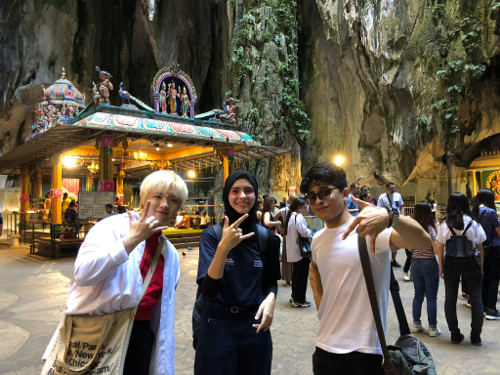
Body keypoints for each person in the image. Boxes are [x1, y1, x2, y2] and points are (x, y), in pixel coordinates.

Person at [42, 170, 188, 374]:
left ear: (177, 210)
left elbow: (162, 310)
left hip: (140, 337)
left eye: (173, 200)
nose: (165, 204)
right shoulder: (111, 227)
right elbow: (83, 274)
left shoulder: (169, 253)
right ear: (144, 198)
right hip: (97, 332)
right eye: (158, 196)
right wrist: (130, 242)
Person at [301, 162, 431, 375]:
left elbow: (424, 242)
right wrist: (321, 305)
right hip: (323, 347)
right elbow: (315, 269)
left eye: (324, 193)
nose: (318, 201)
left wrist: (391, 217)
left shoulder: (370, 231)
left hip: (362, 351)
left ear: (345, 193)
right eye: (312, 196)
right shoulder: (317, 240)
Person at [195, 170, 280, 375]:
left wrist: (271, 297)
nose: (242, 196)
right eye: (236, 190)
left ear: (256, 196)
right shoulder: (212, 236)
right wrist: (224, 248)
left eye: (248, 190)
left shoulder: (267, 238)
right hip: (218, 324)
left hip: (254, 325)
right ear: (227, 196)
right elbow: (209, 290)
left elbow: (270, 282)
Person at [434, 192, 485, 346]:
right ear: (466, 204)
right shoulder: (473, 223)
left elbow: (440, 247)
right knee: (476, 299)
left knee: (450, 299)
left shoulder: (444, 224)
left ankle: (455, 334)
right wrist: (481, 265)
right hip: (471, 262)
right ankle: (476, 336)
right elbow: (481, 247)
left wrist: (441, 267)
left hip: (451, 263)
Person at [407, 202, 441, 337]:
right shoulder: (430, 229)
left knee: (418, 295)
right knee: (431, 297)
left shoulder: (412, 228)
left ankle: (416, 324)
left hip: (415, 262)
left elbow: (409, 248)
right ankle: (432, 328)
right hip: (429, 262)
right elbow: (436, 249)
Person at [471, 189, 500, 320]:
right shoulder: (491, 212)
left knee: (483, 277)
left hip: (479, 248)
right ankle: (491, 309)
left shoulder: (474, 211)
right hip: (494, 248)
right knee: (493, 279)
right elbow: (499, 232)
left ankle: (481, 307)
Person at [284, 197, 312, 307]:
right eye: (305, 207)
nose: (306, 209)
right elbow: (304, 233)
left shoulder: (291, 216)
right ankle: (299, 300)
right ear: (300, 207)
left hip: (294, 251)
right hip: (300, 252)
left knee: (296, 274)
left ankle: (294, 296)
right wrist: (310, 230)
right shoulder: (298, 217)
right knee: (301, 276)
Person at [378, 182, 405, 267]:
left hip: (396, 220)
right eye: (391, 188)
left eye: (394, 188)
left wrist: (402, 216)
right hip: (387, 221)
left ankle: (393, 260)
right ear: (387, 189)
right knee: (386, 239)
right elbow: (379, 209)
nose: (394, 189)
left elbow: (401, 207)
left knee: (395, 240)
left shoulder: (398, 195)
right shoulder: (382, 197)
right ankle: (385, 260)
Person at [274, 195, 297, 287]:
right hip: (287, 236)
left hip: (295, 236)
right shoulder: (284, 210)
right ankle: (287, 279)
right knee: (287, 257)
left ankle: (293, 278)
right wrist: (279, 229)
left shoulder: (296, 211)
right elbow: (274, 218)